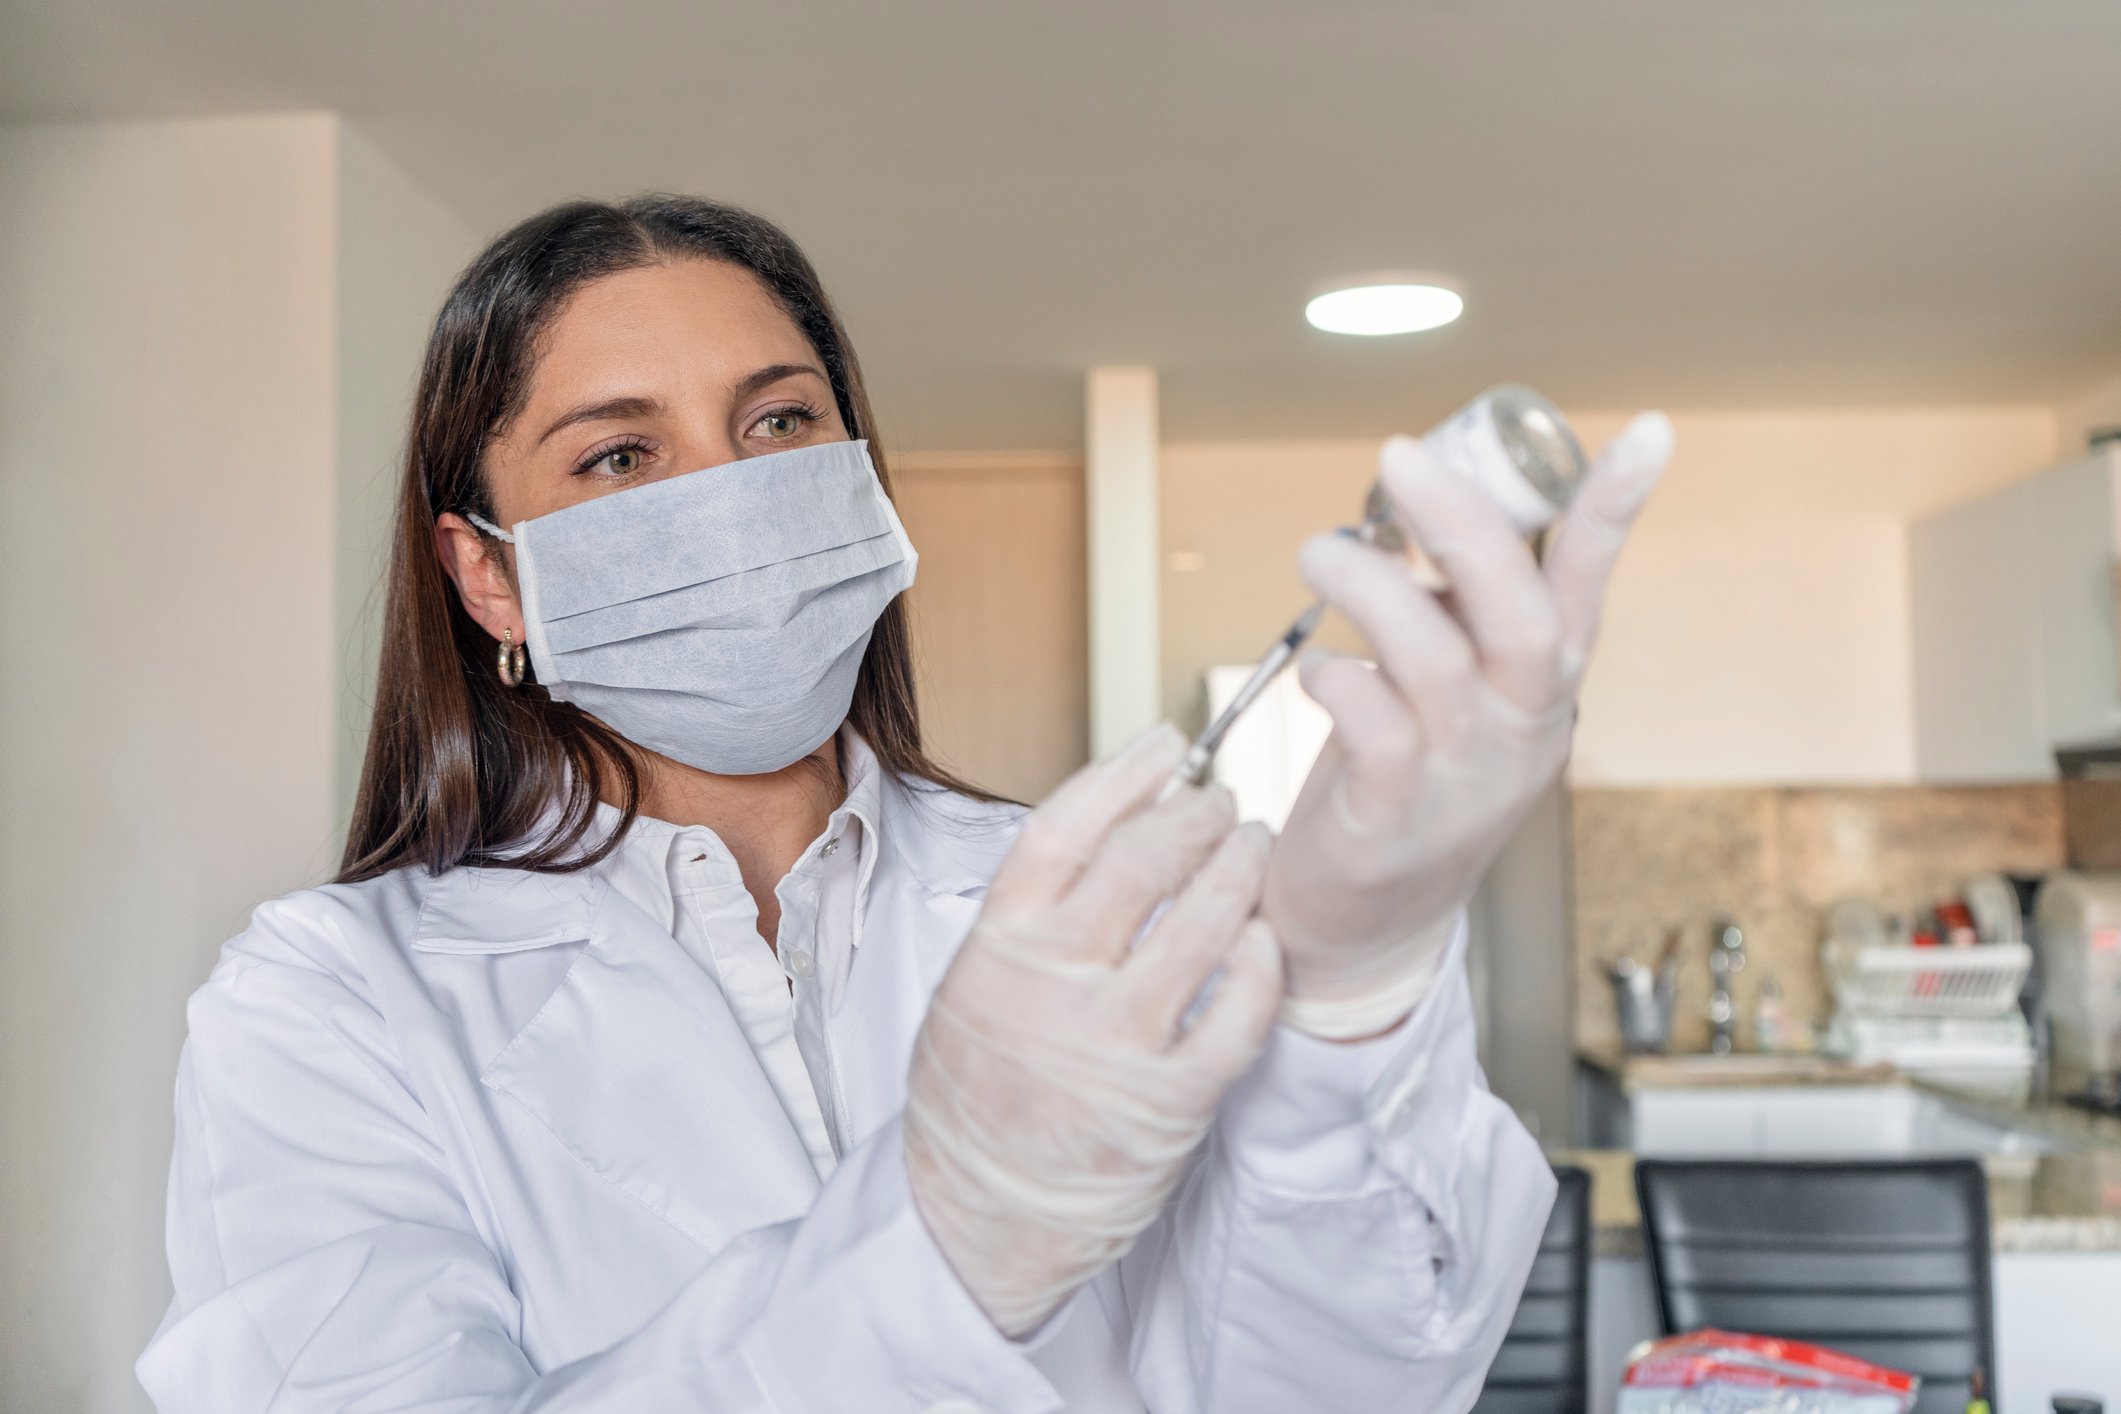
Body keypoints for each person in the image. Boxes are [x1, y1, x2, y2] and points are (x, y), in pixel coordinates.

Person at [136, 194, 1671, 1413]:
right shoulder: (328, 1003)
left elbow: (1339, 1384)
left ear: (859, 484)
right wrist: (948, 1236)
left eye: (778, 422)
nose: (728, 495)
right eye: (618, 453)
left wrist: (1360, 984)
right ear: (488, 570)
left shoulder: (1094, 901)